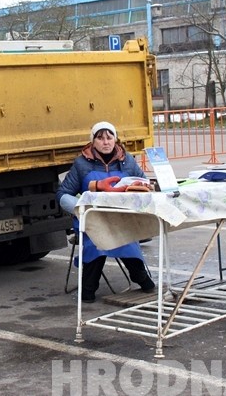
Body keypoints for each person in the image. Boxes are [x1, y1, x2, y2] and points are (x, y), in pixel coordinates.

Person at [56, 121, 156, 303]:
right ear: (93, 141)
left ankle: (141, 277)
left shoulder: (128, 160)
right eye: (100, 138)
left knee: (126, 239)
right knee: (97, 243)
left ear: (115, 139)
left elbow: (145, 183)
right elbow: (63, 195)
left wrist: (140, 187)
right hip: (93, 219)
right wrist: (82, 208)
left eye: (109, 137)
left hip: (122, 218)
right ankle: (88, 289)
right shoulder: (81, 164)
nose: (105, 142)